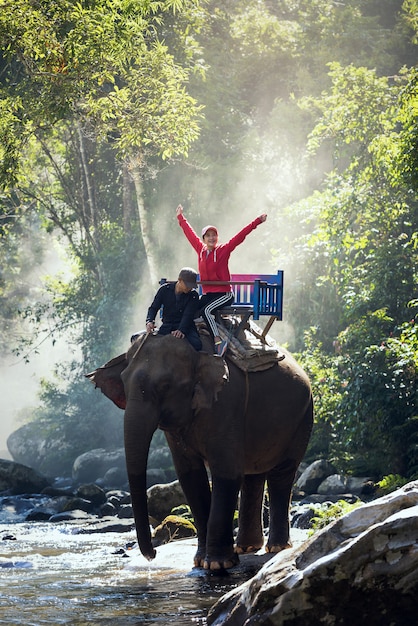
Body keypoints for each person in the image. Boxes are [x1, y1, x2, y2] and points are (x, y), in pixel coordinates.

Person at [176, 204, 267, 356]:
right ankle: (185, 334)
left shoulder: (223, 250)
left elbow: (240, 237)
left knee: (206, 310)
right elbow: (189, 233)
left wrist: (257, 221)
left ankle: (219, 341)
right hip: (208, 294)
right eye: (208, 236)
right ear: (204, 239)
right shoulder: (200, 250)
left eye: (214, 235)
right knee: (192, 308)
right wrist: (180, 217)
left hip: (224, 294)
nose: (212, 238)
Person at [143, 267, 202, 351]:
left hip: (186, 327)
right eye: (187, 285)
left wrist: (181, 330)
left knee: (197, 345)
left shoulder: (193, 295)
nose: (189, 288)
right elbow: (154, 307)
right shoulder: (164, 290)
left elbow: (188, 315)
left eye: (191, 286)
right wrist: (149, 321)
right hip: (167, 325)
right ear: (179, 280)